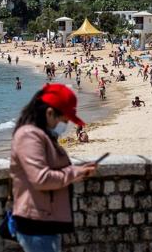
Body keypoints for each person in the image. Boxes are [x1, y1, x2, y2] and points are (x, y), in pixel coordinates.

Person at [10, 84, 97, 252]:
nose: (65, 125)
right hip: (35, 223)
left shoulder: (44, 136)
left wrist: (77, 172)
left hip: (46, 221)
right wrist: (75, 172)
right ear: (50, 113)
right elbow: (41, 179)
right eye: (64, 120)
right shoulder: (29, 135)